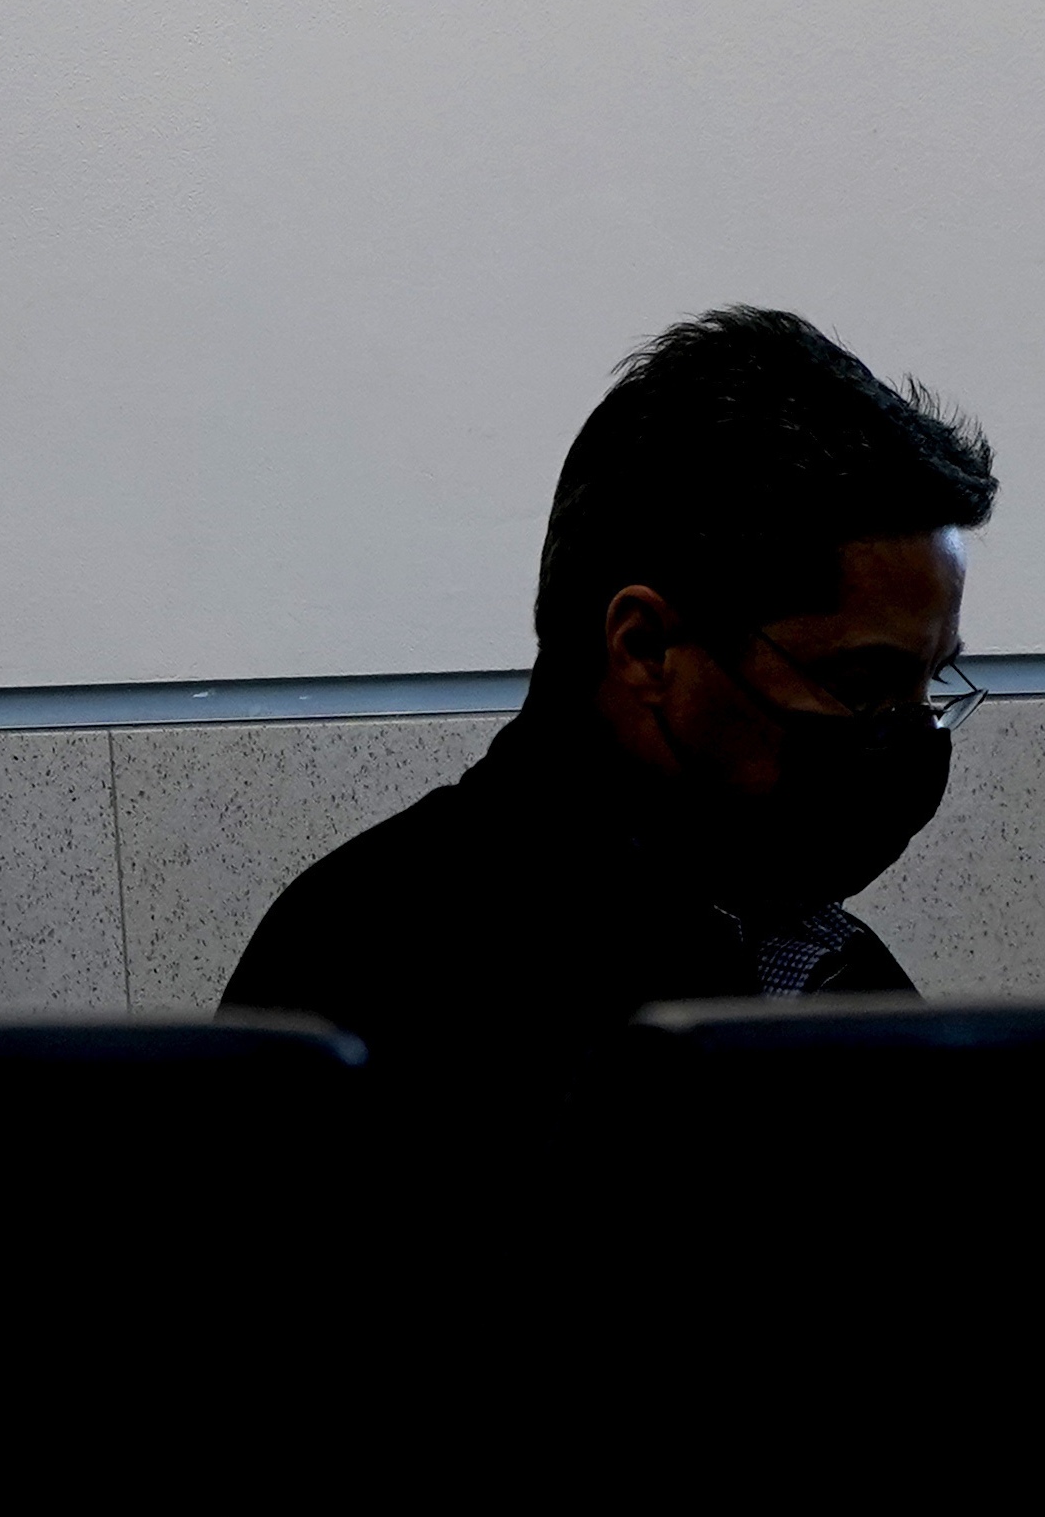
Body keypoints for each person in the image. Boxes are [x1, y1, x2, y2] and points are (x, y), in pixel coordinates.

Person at [225, 303, 992, 1049]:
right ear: (645, 647)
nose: (905, 735)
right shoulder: (368, 968)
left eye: (931, 684)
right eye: (861, 683)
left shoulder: (823, 966)